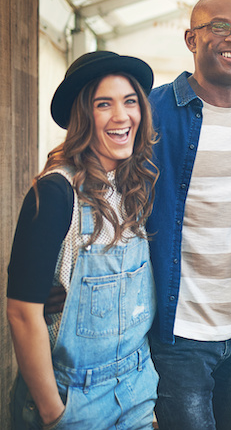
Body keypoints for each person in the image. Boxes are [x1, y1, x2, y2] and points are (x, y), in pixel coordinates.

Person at [145, 0, 231, 430]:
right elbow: (93, 175)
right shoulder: (152, 111)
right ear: (192, 39)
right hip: (178, 333)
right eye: (220, 26)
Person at [7, 51, 158, 429]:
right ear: (82, 116)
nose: (121, 116)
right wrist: (53, 413)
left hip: (136, 390)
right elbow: (22, 313)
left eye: (130, 101)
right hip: (74, 400)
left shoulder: (134, 187)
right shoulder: (56, 194)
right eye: (103, 104)